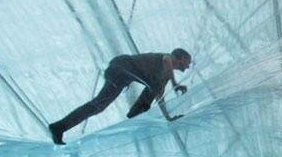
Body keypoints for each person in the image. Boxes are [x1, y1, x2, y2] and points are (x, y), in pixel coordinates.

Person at [48, 48, 192, 144]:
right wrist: (175, 84)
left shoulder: (164, 76)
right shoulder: (167, 58)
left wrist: (168, 117)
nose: (188, 66)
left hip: (123, 75)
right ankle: (59, 127)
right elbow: (167, 60)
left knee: (99, 105)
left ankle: (59, 127)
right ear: (182, 57)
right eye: (188, 62)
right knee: (99, 104)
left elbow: (160, 97)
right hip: (122, 67)